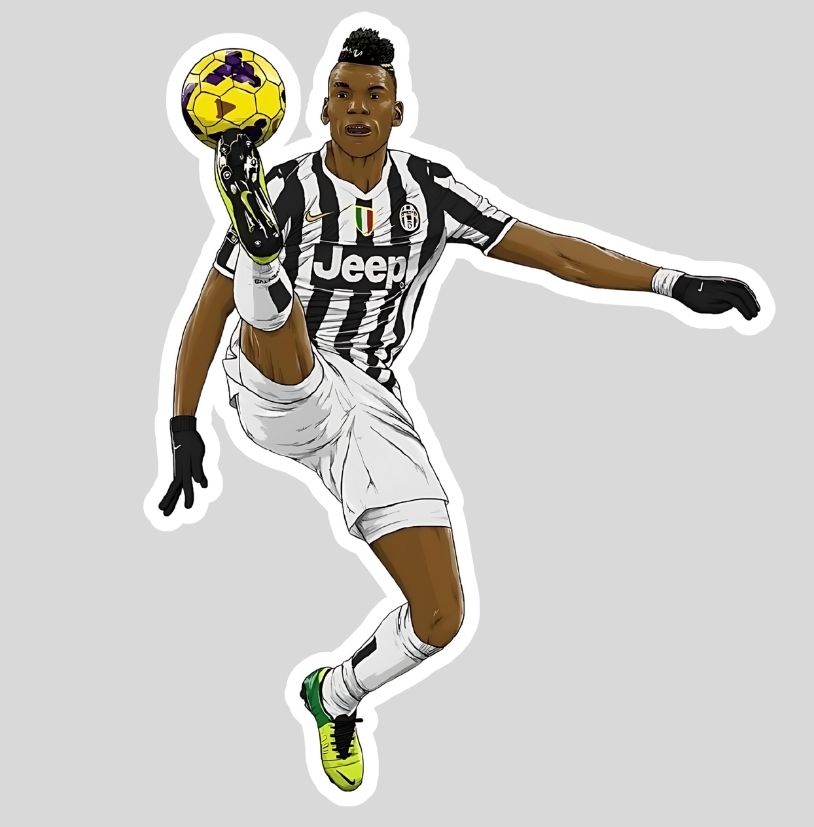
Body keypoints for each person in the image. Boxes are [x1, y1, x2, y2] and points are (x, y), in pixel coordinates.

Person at [158, 27, 761, 792]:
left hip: (371, 404)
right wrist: (183, 424)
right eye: (342, 94)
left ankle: (334, 695)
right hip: (278, 381)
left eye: (372, 95)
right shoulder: (286, 186)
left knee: (441, 617)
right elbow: (207, 310)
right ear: (321, 110)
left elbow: (553, 251)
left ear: (397, 111)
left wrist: (671, 282)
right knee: (278, 324)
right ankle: (265, 257)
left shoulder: (430, 191)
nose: (356, 108)